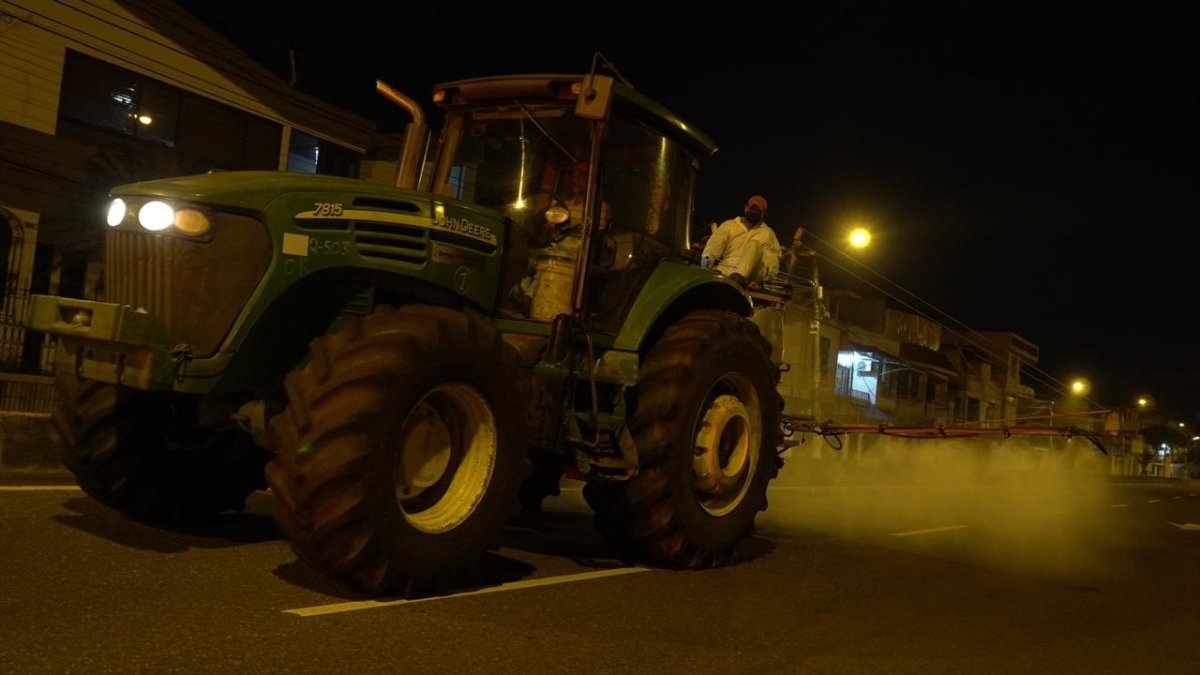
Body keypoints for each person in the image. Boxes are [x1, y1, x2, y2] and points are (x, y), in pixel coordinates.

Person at [700, 195, 782, 287]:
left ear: (764, 214)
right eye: (752, 208)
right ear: (746, 208)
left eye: (758, 210)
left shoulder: (768, 233)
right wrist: (705, 270)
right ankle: (735, 280)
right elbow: (712, 249)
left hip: (751, 277)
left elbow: (771, 262)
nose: (754, 211)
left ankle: (739, 279)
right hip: (727, 270)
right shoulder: (730, 225)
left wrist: (762, 283)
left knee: (754, 244)